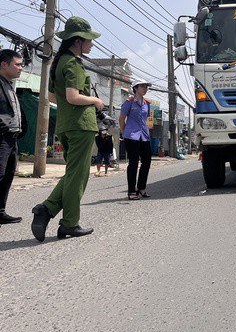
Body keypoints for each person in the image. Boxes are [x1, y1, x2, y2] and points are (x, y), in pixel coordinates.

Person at [31, 16, 104, 241]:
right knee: (78, 176)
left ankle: (47, 209)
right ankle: (69, 223)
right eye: (88, 40)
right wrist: (95, 102)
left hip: (66, 124)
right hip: (80, 125)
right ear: (77, 42)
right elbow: (72, 97)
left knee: (73, 174)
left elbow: (53, 96)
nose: (92, 44)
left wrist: (72, 104)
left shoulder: (59, 62)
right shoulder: (72, 63)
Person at [0, 49, 26, 226]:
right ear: (4, 64)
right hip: (2, 137)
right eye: (17, 64)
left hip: (12, 138)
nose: (21, 68)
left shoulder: (8, 84)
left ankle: (0, 212)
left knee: (8, 174)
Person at [119, 79, 152, 200]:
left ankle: (141, 188)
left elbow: (145, 119)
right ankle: (131, 191)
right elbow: (121, 118)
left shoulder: (147, 103)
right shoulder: (129, 102)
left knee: (147, 161)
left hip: (144, 135)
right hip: (131, 136)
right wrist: (124, 133)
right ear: (136, 88)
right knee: (133, 163)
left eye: (146, 87)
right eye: (143, 86)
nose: (145, 89)